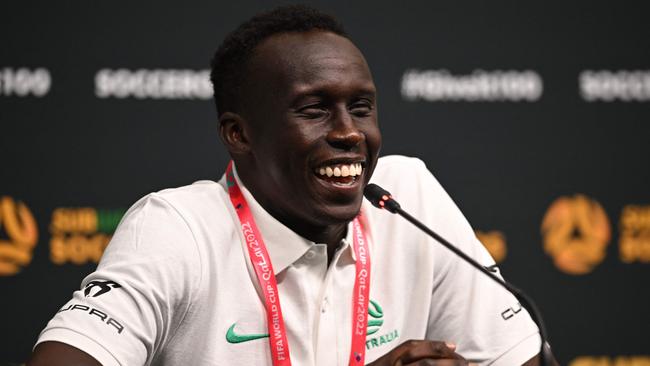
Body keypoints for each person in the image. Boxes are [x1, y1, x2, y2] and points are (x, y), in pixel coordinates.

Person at [28, 5, 549, 366]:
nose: (349, 133)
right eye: (314, 110)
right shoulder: (179, 228)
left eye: (361, 108)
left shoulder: (406, 194)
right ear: (239, 135)